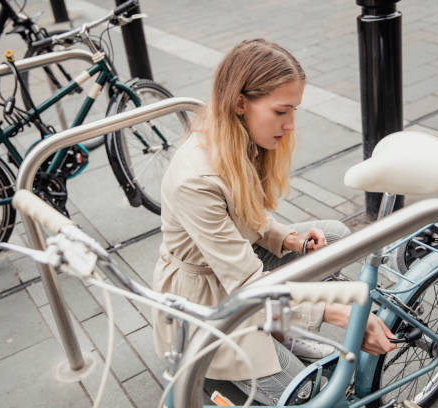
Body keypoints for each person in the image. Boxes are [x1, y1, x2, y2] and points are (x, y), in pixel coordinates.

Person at [152, 38, 395, 405]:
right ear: (239, 103)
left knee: (335, 237)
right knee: (308, 395)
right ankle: (281, 331)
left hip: (237, 268)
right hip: (207, 297)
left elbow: (248, 218)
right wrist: (337, 313)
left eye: (294, 110)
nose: (291, 125)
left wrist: (290, 241)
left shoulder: (237, 137)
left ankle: (283, 328)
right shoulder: (196, 181)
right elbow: (248, 285)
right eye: (282, 112)